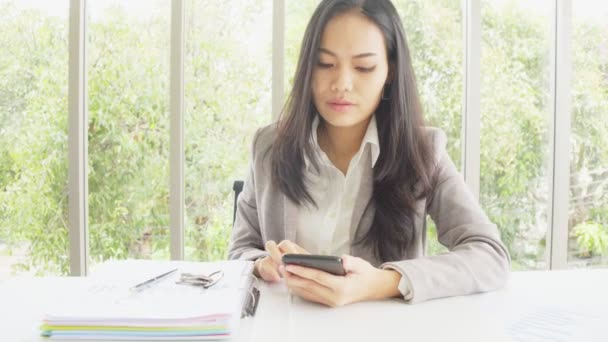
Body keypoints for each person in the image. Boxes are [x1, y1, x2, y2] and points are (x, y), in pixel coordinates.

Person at [228, 0, 510, 306]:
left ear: (390, 70)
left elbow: (489, 255)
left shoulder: (422, 152)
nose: (342, 84)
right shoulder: (270, 147)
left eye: (364, 67)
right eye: (325, 63)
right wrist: (261, 264)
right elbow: (241, 249)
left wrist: (383, 282)